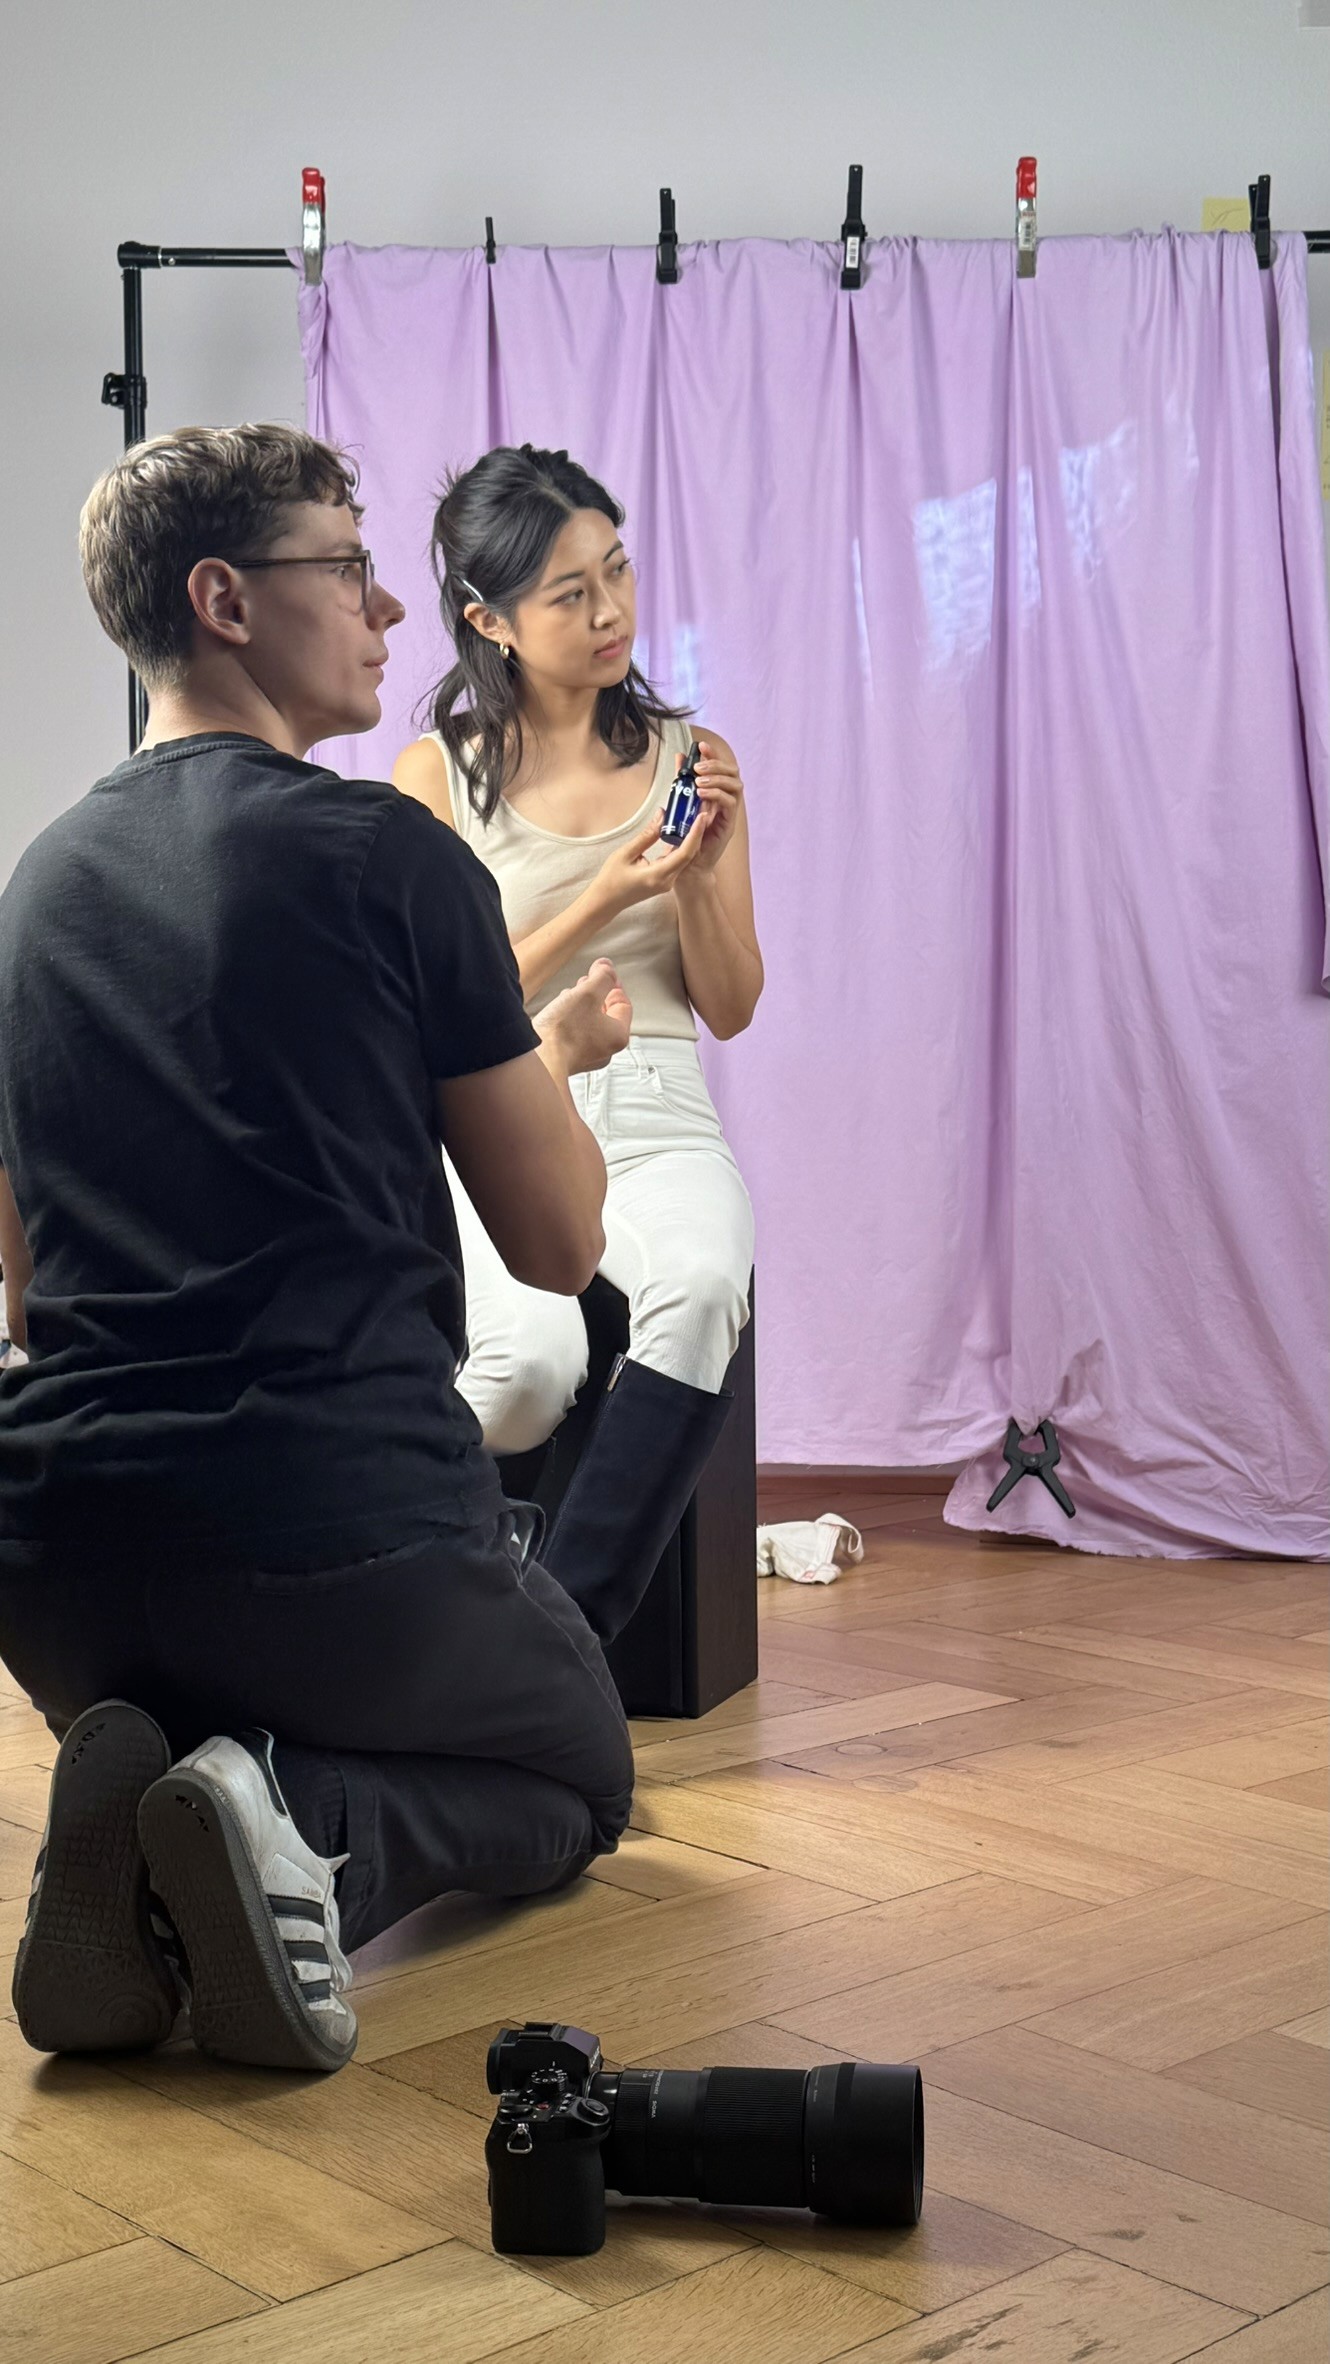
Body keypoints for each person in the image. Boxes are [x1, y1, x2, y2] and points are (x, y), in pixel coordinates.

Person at [0, 423, 635, 2075]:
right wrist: (556, 1063)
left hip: (58, 1572)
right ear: (224, 597)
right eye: (345, 566)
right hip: (340, 1544)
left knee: (190, 1689)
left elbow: (24, 1276)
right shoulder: (392, 858)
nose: (385, 610)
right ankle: (290, 1815)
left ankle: (161, 1811)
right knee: (576, 1784)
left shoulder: (30, 890)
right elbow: (560, 1242)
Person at [394, 445, 762, 1644]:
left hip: (657, 1107)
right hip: (501, 1114)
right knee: (525, 1370)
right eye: (569, 593)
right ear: (486, 619)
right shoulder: (436, 779)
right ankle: (402, 1584)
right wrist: (606, 894)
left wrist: (698, 877)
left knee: (706, 1287)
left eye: (618, 572)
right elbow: (433, 1005)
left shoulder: (687, 757)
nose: (610, 614)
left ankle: (560, 1658)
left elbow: (733, 1001)